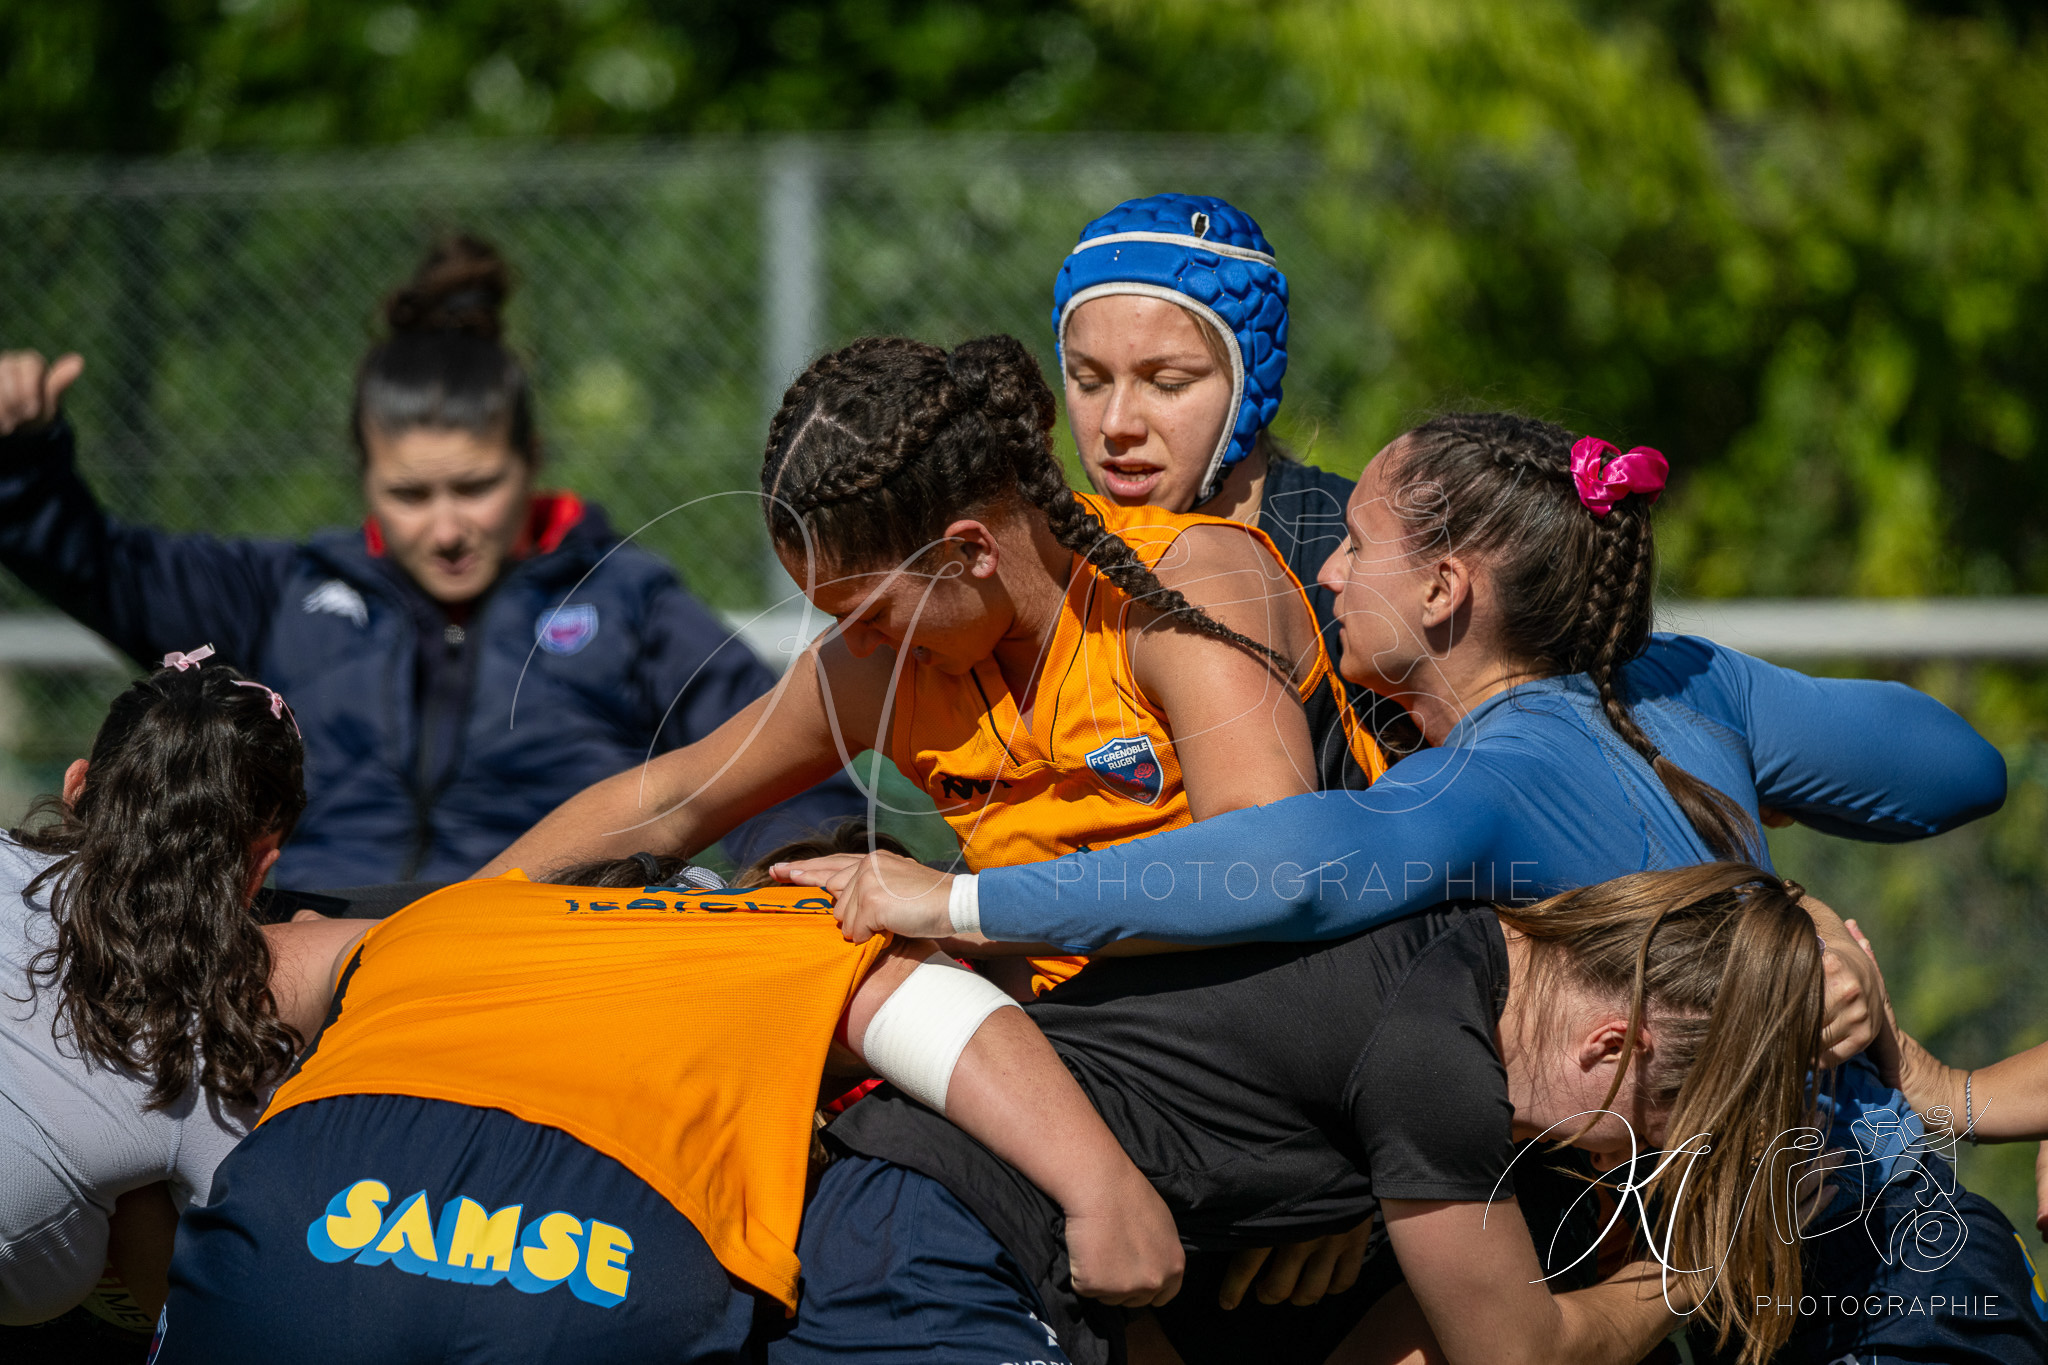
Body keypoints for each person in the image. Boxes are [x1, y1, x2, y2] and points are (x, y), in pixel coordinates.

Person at [762, 862, 2037, 1365]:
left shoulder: (1494, 944)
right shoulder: (1438, 1057)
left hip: (1026, 1262)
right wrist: (1690, 1267)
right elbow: (1511, 1354)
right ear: (1613, 1041)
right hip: (942, 1241)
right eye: (1654, 1120)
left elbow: (1744, 895)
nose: (1637, 1158)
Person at [487, 332, 1385, 998]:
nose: (854, 643)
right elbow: (668, 798)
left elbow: (1267, 875)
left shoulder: (1178, 586)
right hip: (1077, 1038)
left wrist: (960, 905)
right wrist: (446, 931)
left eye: (868, 611)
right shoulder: (882, 661)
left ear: (968, 552)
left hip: (1270, 1010)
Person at [0, 234, 858, 886]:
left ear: (531, 461)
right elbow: (103, 568)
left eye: (476, 487)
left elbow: (774, 749)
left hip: (543, 959)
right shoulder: (287, 588)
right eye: (411, 495)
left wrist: (818, 857)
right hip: (307, 952)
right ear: (366, 477)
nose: (446, 527)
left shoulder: (625, 596)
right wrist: (24, 462)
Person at [152, 851, 1183, 1364]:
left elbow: (271, 962)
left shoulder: (469, 905)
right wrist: (1102, 1192)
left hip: (304, 1207)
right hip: (588, 1236)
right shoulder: (780, 918)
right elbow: (922, 1003)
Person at [0, 651, 362, 1329]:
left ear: (77, 786)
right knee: (146, 1204)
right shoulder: (208, 1045)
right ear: (260, 864)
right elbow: (245, 1276)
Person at [1052, 192, 1396, 774]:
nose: (1116, 425)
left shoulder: (1357, 562)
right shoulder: (1047, 563)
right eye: (1089, 381)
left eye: (1166, 383)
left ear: (1248, 389)